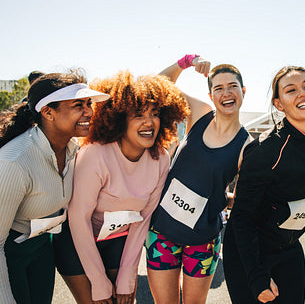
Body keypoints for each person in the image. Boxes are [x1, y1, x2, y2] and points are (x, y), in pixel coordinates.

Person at [53, 71, 189, 303]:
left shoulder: (161, 158)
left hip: (118, 239)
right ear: (119, 119)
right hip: (77, 241)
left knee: (125, 297)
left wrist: (127, 277)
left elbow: (143, 218)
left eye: (155, 113)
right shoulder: (95, 154)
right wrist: (98, 280)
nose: (149, 122)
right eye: (138, 115)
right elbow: (78, 219)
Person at [223, 66, 305, 304]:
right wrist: (257, 276)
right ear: (279, 104)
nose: (303, 93)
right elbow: (241, 216)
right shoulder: (265, 150)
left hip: (289, 246)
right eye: (291, 90)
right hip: (249, 251)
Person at [146, 55, 250, 304]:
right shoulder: (200, 114)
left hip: (203, 241)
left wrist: (220, 200)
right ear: (211, 94)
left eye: (233, 86)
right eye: (219, 88)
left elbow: (245, 198)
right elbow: (157, 85)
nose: (226, 93)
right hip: (162, 232)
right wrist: (187, 62)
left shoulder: (247, 146)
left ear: (243, 91)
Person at [0, 72, 109, 303]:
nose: (89, 111)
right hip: (9, 253)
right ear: (48, 112)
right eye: (78, 105)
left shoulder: (75, 151)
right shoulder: (14, 162)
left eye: (88, 103)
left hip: (42, 247)